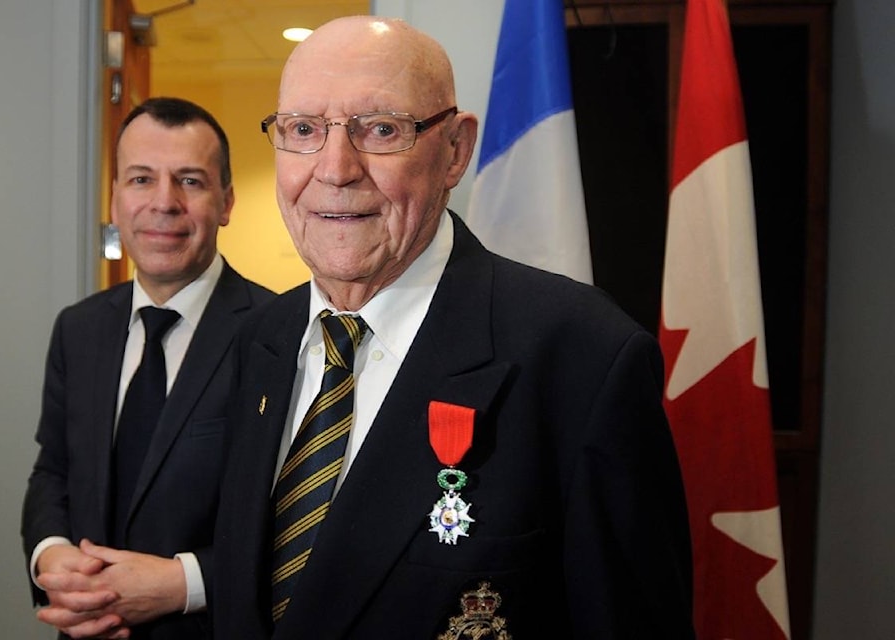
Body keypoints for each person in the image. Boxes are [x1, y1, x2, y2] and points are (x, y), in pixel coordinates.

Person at [213, 16, 695, 639]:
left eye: (380, 130)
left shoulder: (584, 357)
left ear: (455, 152)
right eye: (303, 130)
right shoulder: (261, 340)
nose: (335, 168)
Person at [21, 96, 276, 639]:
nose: (164, 203)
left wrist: (184, 583)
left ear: (226, 201)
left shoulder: (279, 335)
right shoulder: (78, 328)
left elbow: (299, 517)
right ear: (114, 198)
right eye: (140, 180)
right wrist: (52, 554)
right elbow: (54, 471)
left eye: (190, 180)